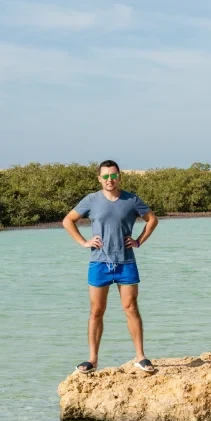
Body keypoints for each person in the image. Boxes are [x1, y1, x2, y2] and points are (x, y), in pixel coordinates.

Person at [62, 160, 159, 375]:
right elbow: (68, 220)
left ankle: (140, 357)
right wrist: (83, 242)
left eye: (113, 176)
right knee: (97, 311)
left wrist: (139, 241)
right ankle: (92, 360)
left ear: (119, 176)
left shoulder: (131, 199)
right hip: (99, 262)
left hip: (126, 262)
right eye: (105, 176)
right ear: (99, 178)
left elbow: (152, 219)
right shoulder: (91, 200)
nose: (109, 180)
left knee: (131, 308)